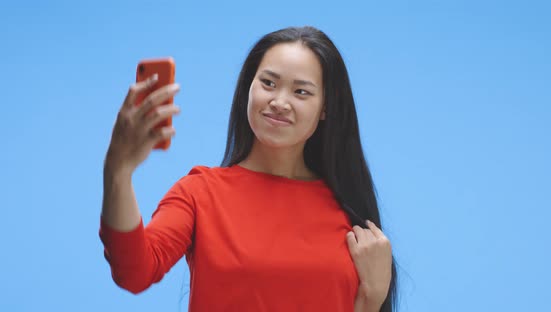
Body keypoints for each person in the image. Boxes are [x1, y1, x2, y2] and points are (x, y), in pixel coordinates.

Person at [99, 26, 397, 312]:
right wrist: (118, 173)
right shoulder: (200, 194)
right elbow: (134, 272)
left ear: (326, 109)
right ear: (247, 90)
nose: (279, 102)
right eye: (268, 83)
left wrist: (372, 298)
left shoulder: (349, 214)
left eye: (301, 92)